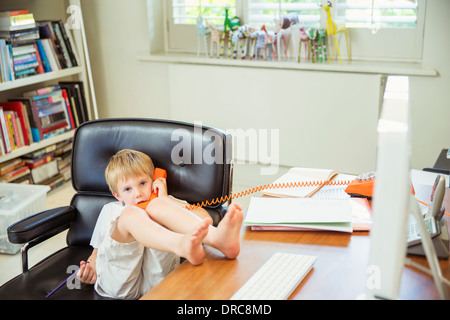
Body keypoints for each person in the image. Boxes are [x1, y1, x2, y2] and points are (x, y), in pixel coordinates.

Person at [77, 149, 243, 299]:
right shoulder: (110, 210)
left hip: (158, 282)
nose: (138, 194)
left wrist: (165, 199)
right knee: (131, 213)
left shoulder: (163, 202)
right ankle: (180, 244)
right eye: (128, 189)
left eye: (143, 183)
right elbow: (97, 250)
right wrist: (90, 268)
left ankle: (219, 240)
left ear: (154, 179)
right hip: (120, 285)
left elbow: (205, 217)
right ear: (117, 195)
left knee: (154, 207)